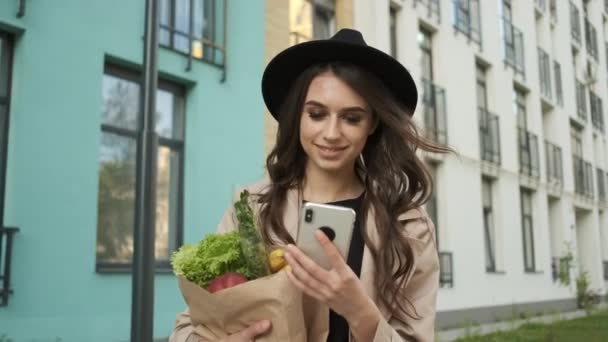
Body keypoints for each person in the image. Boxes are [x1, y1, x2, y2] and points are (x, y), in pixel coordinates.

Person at [170, 28, 450, 342]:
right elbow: (188, 328)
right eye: (317, 114)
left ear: (372, 124)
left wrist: (360, 312)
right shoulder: (252, 210)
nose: (331, 133)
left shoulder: (409, 226)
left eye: (352, 118)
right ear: (298, 117)